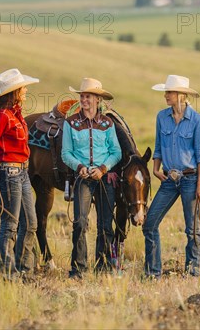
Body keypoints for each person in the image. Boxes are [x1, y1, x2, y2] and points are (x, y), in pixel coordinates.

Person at [143, 75, 200, 279]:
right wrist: (155, 168)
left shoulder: (197, 120)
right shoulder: (161, 117)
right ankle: (153, 273)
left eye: (169, 92)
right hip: (169, 180)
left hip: (190, 179)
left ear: (181, 95)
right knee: (149, 224)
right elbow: (158, 146)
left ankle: (192, 273)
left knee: (192, 230)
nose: (165, 96)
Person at [0, 68, 39, 277]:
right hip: (8, 172)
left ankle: (22, 269)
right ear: (15, 91)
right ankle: (7, 271)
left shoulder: (14, 114)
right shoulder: (3, 116)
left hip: (21, 172)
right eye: (23, 89)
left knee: (30, 223)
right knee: (10, 223)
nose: (25, 91)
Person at [62, 78, 122, 278]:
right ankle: (78, 268)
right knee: (80, 222)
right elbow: (66, 153)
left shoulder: (107, 123)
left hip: (103, 177)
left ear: (97, 99)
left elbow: (116, 152)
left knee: (105, 224)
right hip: (83, 177)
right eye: (81, 96)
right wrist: (79, 167)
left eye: (88, 96)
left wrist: (104, 169)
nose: (84, 100)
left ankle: (103, 266)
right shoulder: (71, 123)